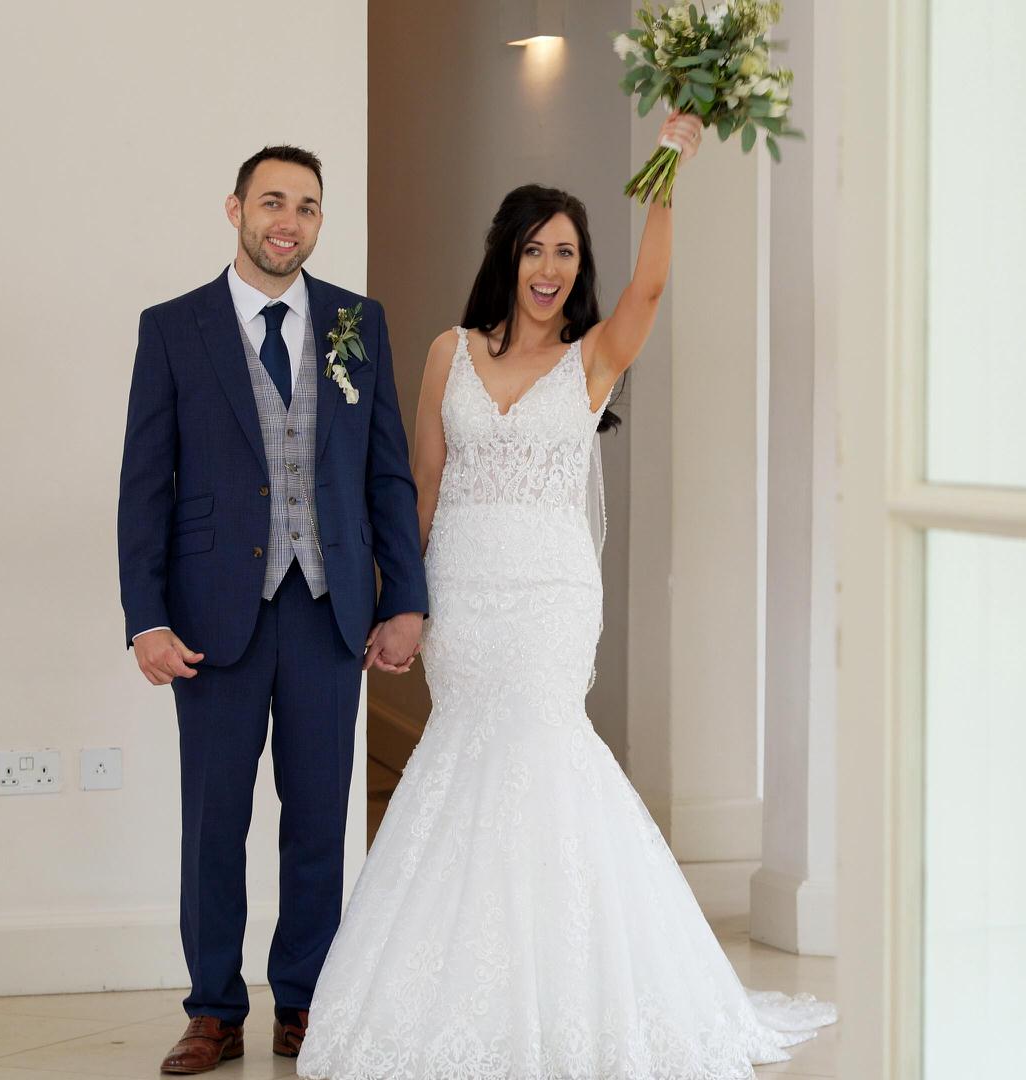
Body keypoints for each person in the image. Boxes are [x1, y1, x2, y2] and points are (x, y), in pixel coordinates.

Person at [296, 112, 835, 1080]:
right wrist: (399, 601)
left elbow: (655, 282)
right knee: (465, 756)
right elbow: (421, 482)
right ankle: (452, 996)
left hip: (548, 594)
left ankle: (577, 989)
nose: (550, 267)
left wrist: (671, 162)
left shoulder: (593, 357)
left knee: (544, 753)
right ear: (507, 254)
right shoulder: (444, 354)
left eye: (567, 253)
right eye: (536, 248)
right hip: (462, 587)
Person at [115, 144, 429, 1076]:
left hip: (330, 613)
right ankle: (213, 1009)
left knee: (318, 820)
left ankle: (303, 999)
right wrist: (147, 617)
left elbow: (385, 473)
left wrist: (404, 599)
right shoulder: (175, 328)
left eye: (307, 206)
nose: (288, 220)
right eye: (272, 202)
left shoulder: (355, 324)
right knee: (213, 822)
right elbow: (145, 487)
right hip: (213, 618)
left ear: (320, 221)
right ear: (235, 209)